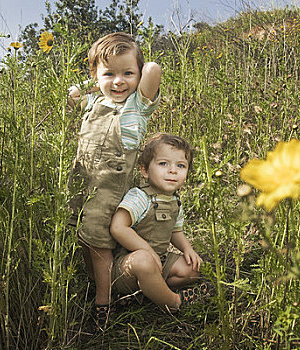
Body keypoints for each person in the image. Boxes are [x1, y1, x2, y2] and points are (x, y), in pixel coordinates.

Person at [67, 32, 162, 328]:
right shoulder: (93, 100)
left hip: (108, 189)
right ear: (96, 76)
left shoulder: (138, 105)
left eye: (127, 73)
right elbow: (72, 96)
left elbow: (153, 69)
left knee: (99, 244)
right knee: (82, 236)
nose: (118, 81)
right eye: (110, 74)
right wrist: (94, 81)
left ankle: (103, 301)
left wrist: (131, 64)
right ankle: (94, 282)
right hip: (80, 180)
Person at [110, 134, 209, 313]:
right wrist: (147, 250)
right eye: (163, 164)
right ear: (145, 170)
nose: (173, 171)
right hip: (128, 267)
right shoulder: (139, 197)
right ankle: (173, 302)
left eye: (180, 166)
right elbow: (118, 227)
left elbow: (175, 231)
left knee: (193, 270)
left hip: (159, 260)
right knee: (143, 260)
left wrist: (188, 249)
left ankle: (154, 291)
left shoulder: (174, 201)